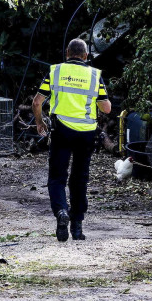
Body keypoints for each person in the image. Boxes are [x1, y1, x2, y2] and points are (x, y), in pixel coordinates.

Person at [32, 39, 112, 242]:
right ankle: (77, 227)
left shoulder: (55, 71)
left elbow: (37, 102)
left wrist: (40, 123)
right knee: (79, 179)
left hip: (62, 131)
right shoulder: (95, 75)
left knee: (57, 177)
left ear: (67, 52)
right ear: (85, 55)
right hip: (86, 133)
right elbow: (107, 108)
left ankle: (61, 212)